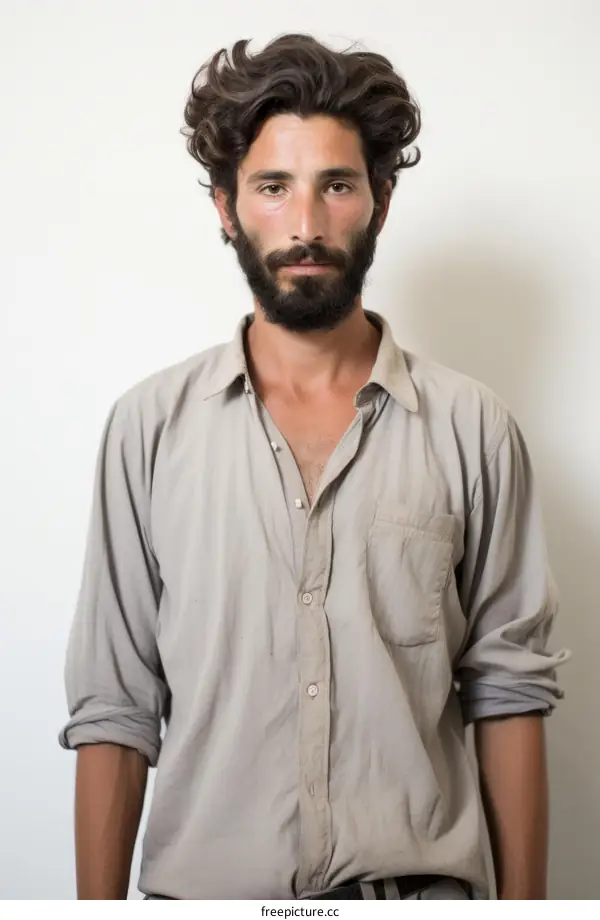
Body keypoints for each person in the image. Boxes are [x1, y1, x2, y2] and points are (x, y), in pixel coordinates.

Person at [59, 33, 569, 901]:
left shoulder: (475, 431)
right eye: (272, 187)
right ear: (226, 207)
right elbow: (115, 705)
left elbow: (509, 692)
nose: (305, 224)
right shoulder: (148, 430)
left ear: (380, 201)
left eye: (337, 184)